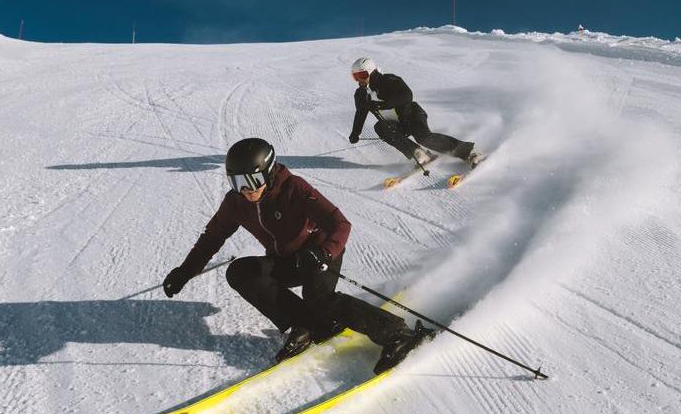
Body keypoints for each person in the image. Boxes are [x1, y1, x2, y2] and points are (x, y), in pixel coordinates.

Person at [162, 137, 428, 373]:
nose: (246, 190)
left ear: (267, 173)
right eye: (237, 183)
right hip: (285, 260)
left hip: (319, 253)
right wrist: (185, 271)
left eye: (252, 181)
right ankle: (308, 325)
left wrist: (324, 252)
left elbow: (340, 224)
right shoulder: (236, 202)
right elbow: (212, 237)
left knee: (320, 299)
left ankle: (397, 334)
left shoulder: (294, 188)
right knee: (241, 273)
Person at [347, 57, 484, 168]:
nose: (359, 79)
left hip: (412, 115)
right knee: (380, 127)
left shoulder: (388, 80)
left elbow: (406, 95)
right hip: (397, 125)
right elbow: (361, 113)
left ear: (371, 72)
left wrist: (383, 104)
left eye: (362, 75)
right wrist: (355, 133)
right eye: (355, 76)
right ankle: (420, 154)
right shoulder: (361, 95)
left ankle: (469, 153)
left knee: (424, 138)